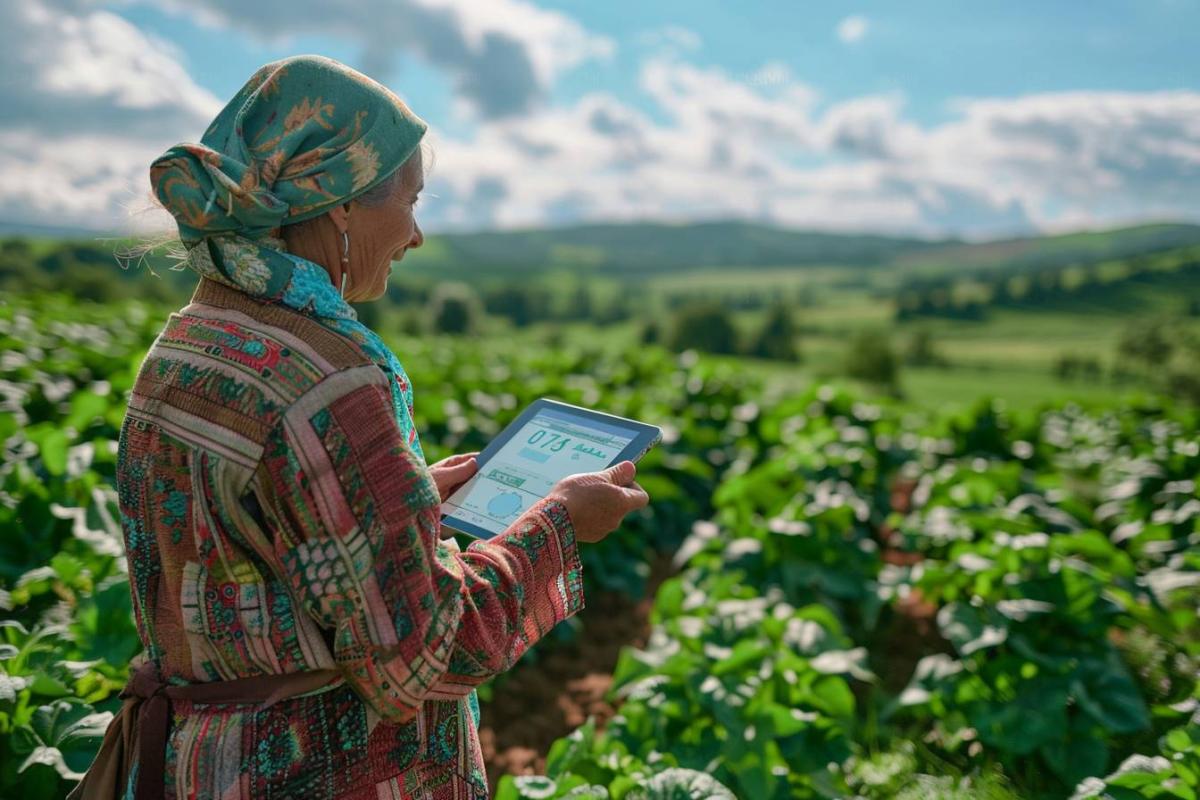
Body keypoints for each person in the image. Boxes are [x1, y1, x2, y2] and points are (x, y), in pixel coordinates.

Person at [70, 54, 649, 800]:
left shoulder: (191, 338)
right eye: (410, 202)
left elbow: (252, 552)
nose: (415, 236)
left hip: (201, 769)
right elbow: (427, 654)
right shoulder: (333, 377)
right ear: (340, 206)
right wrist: (560, 525)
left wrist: (402, 510)